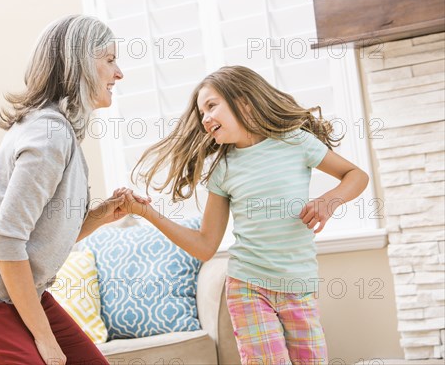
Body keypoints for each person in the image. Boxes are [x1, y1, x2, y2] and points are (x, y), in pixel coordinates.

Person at [0, 15, 146, 365]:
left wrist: (101, 215)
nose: (119, 72)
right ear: (78, 63)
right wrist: (45, 339)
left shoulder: (57, 129)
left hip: (12, 291)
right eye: (109, 60)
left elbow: (38, 236)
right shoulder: (49, 136)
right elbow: (6, 241)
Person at [122, 66, 370, 365]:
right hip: (248, 288)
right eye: (202, 113)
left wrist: (330, 200)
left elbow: (356, 175)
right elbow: (205, 245)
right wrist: (147, 213)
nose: (205, 118)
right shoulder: (223, 170)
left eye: (211, 106)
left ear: (243, 101)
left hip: (299, 287)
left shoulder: (296, 143)